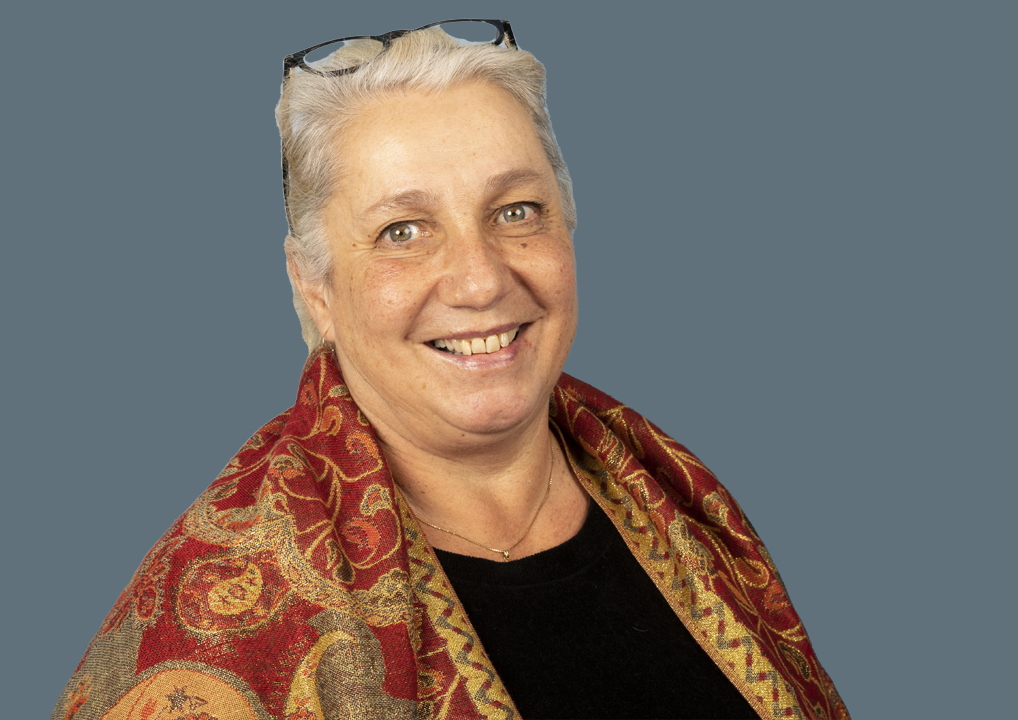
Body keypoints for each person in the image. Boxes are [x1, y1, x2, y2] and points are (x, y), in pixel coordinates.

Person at [52, 19, 848, 720]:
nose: (480, 280)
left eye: (516, 211)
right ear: (314, 287)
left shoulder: (677, 498)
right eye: (403, 230)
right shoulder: (217, 614)